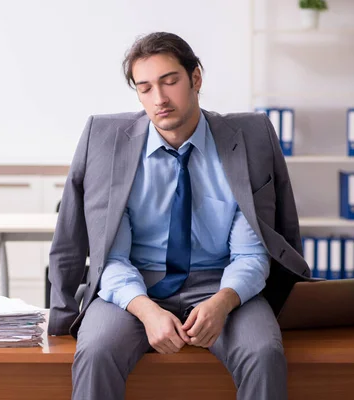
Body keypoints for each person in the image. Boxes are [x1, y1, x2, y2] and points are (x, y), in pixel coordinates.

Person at [47, 32, 311, 400]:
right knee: (96, 351)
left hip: (222, 281)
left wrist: (224, 301)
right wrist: (147, 311)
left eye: (170, 81)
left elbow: (252, 252)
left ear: (195, 78)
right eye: (145, 88)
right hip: (135, 282)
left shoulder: (250, 137)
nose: (159, 99)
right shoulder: (104, 138)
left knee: (263, 353)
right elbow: (110, 256)